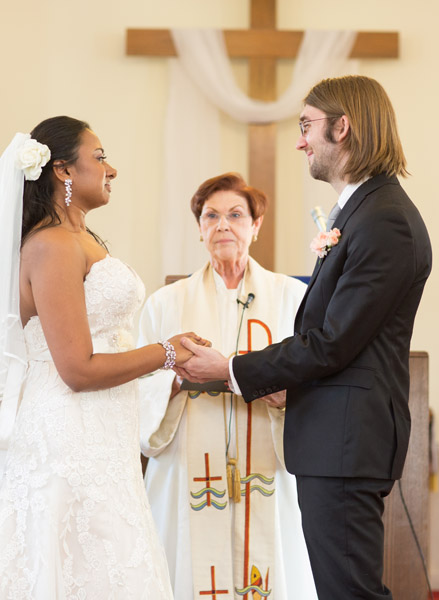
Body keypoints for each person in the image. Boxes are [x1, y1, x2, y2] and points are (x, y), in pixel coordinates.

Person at [176, 75, 432, 599]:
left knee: (349, 592)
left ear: (343, 127)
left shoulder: (385, 220)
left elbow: (333, 340)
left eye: (306, 126)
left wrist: (228, 370)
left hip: (347, 437)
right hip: (334, 436)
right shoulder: (364, 211)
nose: (300, 141)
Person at [0, 116, 204, 599]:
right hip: (68, 430)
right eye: (100, 157)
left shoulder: (80, 238)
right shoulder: (52, 245)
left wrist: (162, 357)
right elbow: (78, 369)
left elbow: (107, 344)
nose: (113, 169)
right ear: (62, 170)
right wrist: (165, 352)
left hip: (100, 428)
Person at [137, 172, 317, 599]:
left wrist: (268, 386)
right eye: (211, 215)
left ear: (255, 226)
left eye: (236, 215)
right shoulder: (165, 304)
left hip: (270, 459)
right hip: (187, 463)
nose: (223, 225)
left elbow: (313, 375)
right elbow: (137, 385)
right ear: (199, 228)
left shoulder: (293, 298)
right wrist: (176, 383)